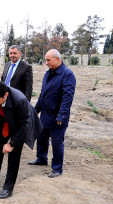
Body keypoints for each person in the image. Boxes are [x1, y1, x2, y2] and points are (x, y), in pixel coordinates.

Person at [28, 49, 76, 178]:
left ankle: (57, 168)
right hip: (45, 114)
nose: (46, 63)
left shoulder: (67, 74)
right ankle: (41, 158)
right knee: (42, 138)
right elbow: (42, 94)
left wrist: (62, 115)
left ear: (58, 59)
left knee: (56, 142)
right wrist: (35, 110)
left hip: (57, 117)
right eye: (45, 60)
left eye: (48, 60)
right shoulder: (48, 73)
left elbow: (67, 97)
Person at [0, 45, 33, 154]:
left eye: (15, 53)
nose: (12, 55)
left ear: (20, 53)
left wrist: (25, 103)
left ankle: (14, 145)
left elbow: (28, 87)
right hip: (3, 100)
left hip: (15, 102)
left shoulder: (26, 67)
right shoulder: (7, 65)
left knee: (14, 124)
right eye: (11, 53)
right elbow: (2, 81)